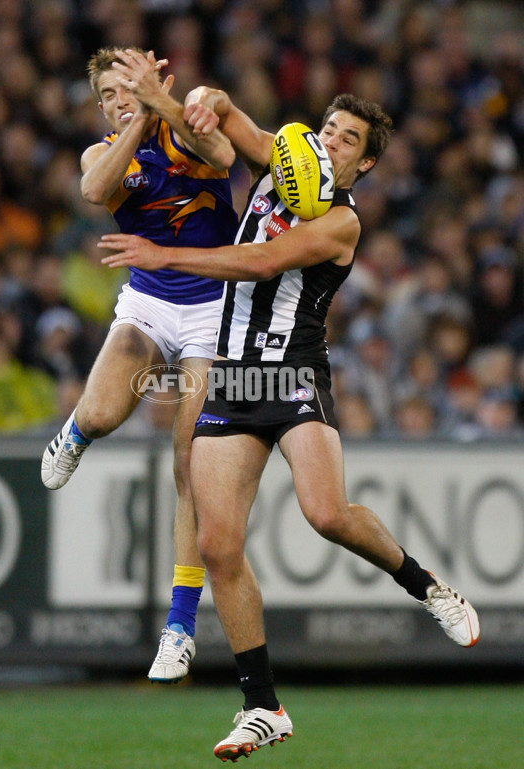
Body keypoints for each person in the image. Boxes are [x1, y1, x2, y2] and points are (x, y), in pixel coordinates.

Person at [98, 87, 480, 762]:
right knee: (217, 544)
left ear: (362, 167)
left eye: (347, 141)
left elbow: (262, 261)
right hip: (234, 374)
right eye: (328, 129)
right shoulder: (286, 159)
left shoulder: (342, 222)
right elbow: (222, 114)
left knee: (326, 513)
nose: (330, 142)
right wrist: (185, 96)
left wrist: (165, 257)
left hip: (293, 371)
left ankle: (428, 586)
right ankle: (262, 705)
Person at [40, 47, 239, 683]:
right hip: (150, 302)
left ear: (154, 81)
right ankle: (75, 433)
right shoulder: (101, 152)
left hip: (214, 308)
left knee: (190, 459)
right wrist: (137, 116)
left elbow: (225, 159)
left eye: (128, 88)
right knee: (99, 415)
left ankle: (179, 626)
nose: (118, 100)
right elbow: (95, 190)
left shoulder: (194, 116)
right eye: (108, 96)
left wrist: (165, 105)